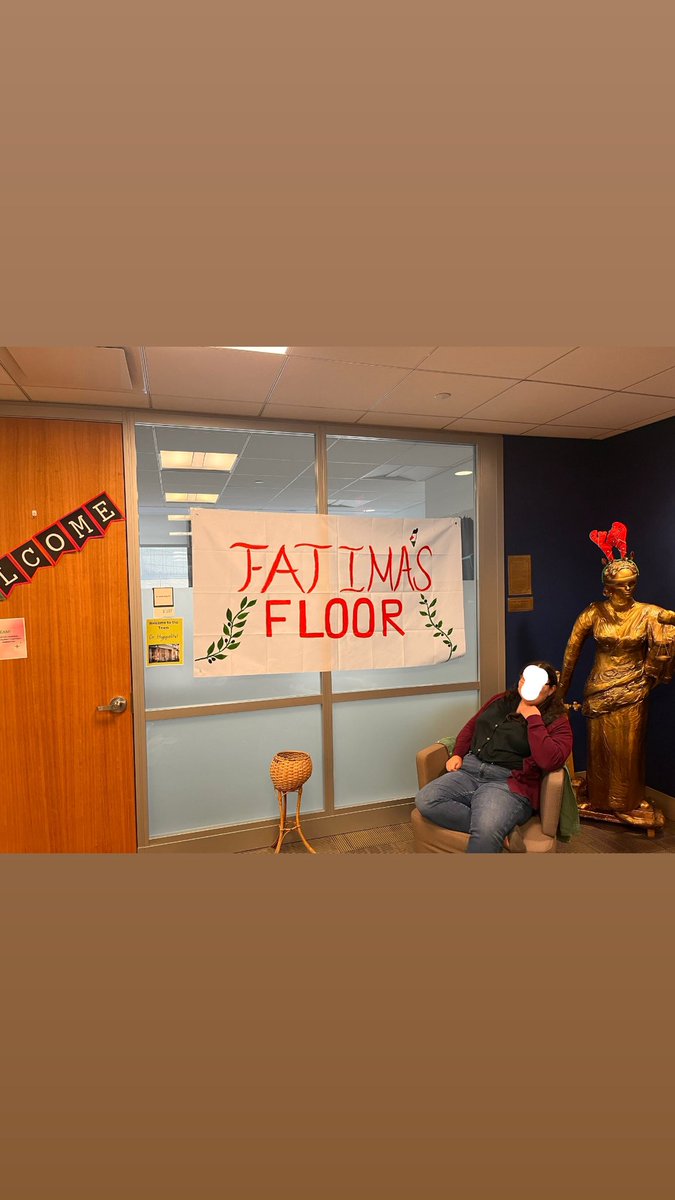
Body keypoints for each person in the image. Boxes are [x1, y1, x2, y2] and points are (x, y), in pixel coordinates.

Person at [559, 537, 675, 824]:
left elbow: (664, 645)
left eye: (632, 582)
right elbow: (571, 653)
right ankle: (599, 799)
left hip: (635, 689)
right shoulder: (593, 613)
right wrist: (559, 695)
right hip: (599, 689)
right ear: (607, 588)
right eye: (621, 584)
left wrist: (666, 639)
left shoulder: (649, 613)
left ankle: (627, 800)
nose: (628, 588)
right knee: (599, 747)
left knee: (629, 746)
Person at [415, 662, 572, 853]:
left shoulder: (557, 720)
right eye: (525, 679)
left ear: (551, 690)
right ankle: (503, 830)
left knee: (487, 829)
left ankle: (493, 830)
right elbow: (471, 727)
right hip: (470, 770)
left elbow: (550, 760)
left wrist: (533, 718)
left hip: (507, 782)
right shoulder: (501, 700)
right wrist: (457, 753)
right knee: (427, 799)